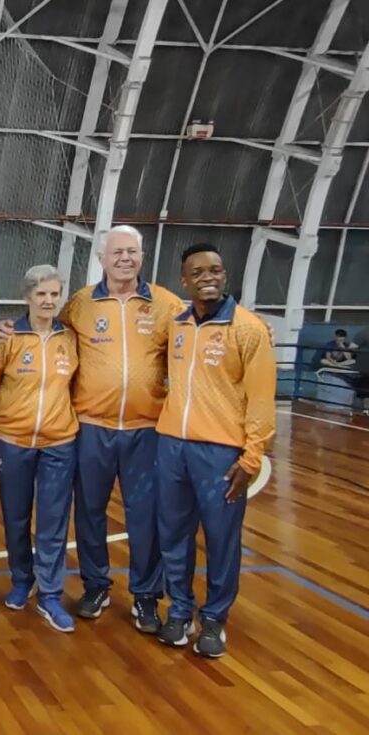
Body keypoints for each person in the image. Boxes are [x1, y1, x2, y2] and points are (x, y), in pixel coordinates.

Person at [0, 225, 183, 634]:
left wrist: (253, 327)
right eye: (117, 252)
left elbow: (199, 335)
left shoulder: (166, 304)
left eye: (132, 252)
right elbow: (37, 329)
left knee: (144, 516)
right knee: (90, 514)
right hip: (91, 428)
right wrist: (3, 328)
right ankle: (96, 585)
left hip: (144, 428)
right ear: (102, 258)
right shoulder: (78, 304)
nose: (124, 259)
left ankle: (147, 596)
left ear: (142, 256)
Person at [155, 244, 275, 658]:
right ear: (184, 281)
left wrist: (251, 456)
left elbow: (261, 399)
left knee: (222, 540)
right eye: (198, 272)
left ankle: (214, 620)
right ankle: (180, 610)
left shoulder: (249, 329)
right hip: (171, 446)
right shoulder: (178, 324)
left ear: (225, 276)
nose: (209, 277)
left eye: (216, 270)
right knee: (173, 536)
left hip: (221, 454)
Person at [0, 265, 79, 633]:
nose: (49, 301)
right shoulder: (7, 338)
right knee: (16, 517)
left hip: (60, 442)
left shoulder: (69, 339)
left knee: (54, 521)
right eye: (41, 294)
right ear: (27, 297)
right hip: (12, 442)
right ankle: (21, 579)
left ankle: (51, 594)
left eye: (55, 294)